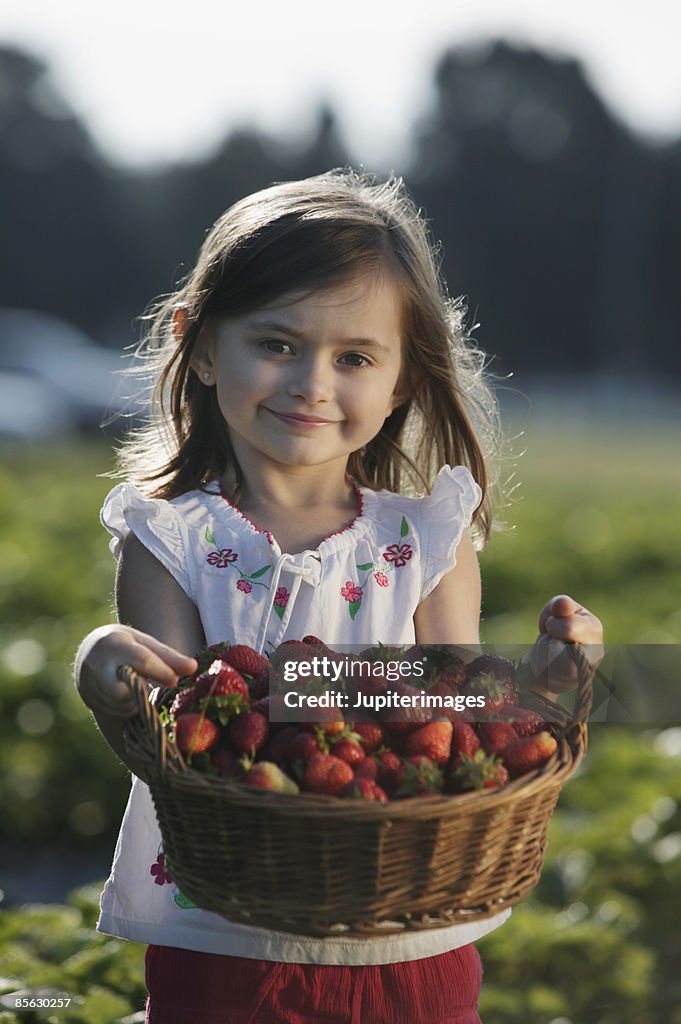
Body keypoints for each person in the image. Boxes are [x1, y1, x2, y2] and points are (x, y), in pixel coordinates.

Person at [75, 168, 603, 1024]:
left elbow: (459, 709)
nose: (312, 382)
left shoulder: (424, 539)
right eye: (277, 344)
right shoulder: (173, 537)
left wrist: (546, 689)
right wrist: (101, 666)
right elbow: (166, 733)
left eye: (353, 357)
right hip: (229, 922)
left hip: (405, 921)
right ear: (201, 345)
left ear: (401, 379)